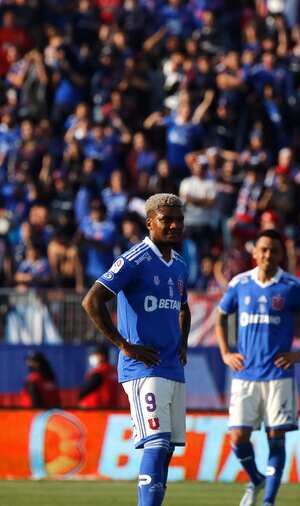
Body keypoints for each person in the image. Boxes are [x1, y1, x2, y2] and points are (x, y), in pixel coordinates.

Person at [82, 193, 190, 506]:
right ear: (149, 222)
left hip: (172, 367)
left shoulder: (180, 265)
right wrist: (123, 345)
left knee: (166, 449)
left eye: (178, 220)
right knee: (156, 444)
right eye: (166, 219)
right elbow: (92, 300)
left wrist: (181, 344)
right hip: (144, 368)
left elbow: (184, 308)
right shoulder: (135, 259)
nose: (173, 225)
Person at [215, 228, 300, 506]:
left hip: (279, 374)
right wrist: (225, 352)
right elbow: (220, 316)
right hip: (245, 374)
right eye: (263, 249)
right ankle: (256, 478)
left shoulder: (291, 287)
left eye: (273, 250)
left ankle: (268, 501)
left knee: (275, 438)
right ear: (254, 253)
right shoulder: (240, 284)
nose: (268, 255)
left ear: (280, 255)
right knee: (237, 437)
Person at [78, 344, 122, 408]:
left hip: (96, 408)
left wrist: (79, 397)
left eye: (96, 355)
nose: (93, 357)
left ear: (102, 356)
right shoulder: (113, 370)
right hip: (111, 407)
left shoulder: (100, 371)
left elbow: (87, 388)